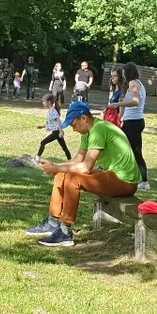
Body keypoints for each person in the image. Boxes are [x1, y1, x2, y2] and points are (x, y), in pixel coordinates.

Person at [25, 101, 140, 247]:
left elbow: (86, 167)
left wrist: (57, 167)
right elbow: (78, 159)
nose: (74, 130)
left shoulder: (98, 130)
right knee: (61, 175)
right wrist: (56, 167)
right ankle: (53, 222)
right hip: (113, 176)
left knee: (73, 179)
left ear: (84, 118)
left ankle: (65, 232)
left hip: (125, 182)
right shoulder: (89, 131)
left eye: (74, 125)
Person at [106, 62, 149, 190]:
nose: (122, 74)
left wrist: (119, 104)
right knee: (123, 147)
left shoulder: (133, 83)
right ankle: (126, 175)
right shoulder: (138, 84)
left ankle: (144, 181)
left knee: (135, 151)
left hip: (134, 122)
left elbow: (136, 102)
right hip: (133, 121)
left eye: (124, 72)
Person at [37, 93, 71, 159]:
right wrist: (42, 126)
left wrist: (61, 131)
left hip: (56, 132)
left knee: (43, 143)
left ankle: (37, 158)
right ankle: (70, 159)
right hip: (56, 132)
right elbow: (51, 123)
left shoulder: (53, 111)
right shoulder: (50, 111)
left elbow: (58, 121)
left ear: (49, 102)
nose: (43, 103)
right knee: (64, 147)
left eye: (44, 101)